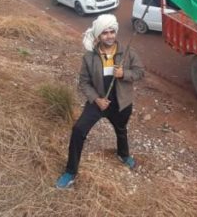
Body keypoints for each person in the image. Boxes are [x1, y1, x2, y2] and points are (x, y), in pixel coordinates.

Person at [56, 14, 145, 189]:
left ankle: (123, 154)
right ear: (98, 35)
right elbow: (84, 82)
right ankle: (70, 171)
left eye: (112, 31)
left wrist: (124, 74)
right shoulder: (89, 57)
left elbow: (140, 72)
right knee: (78, 130)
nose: (109, 36)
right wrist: (96, 99)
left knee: (121, 129)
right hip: (98, 102)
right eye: (105, 33)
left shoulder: (127, 52)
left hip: (121, 102)